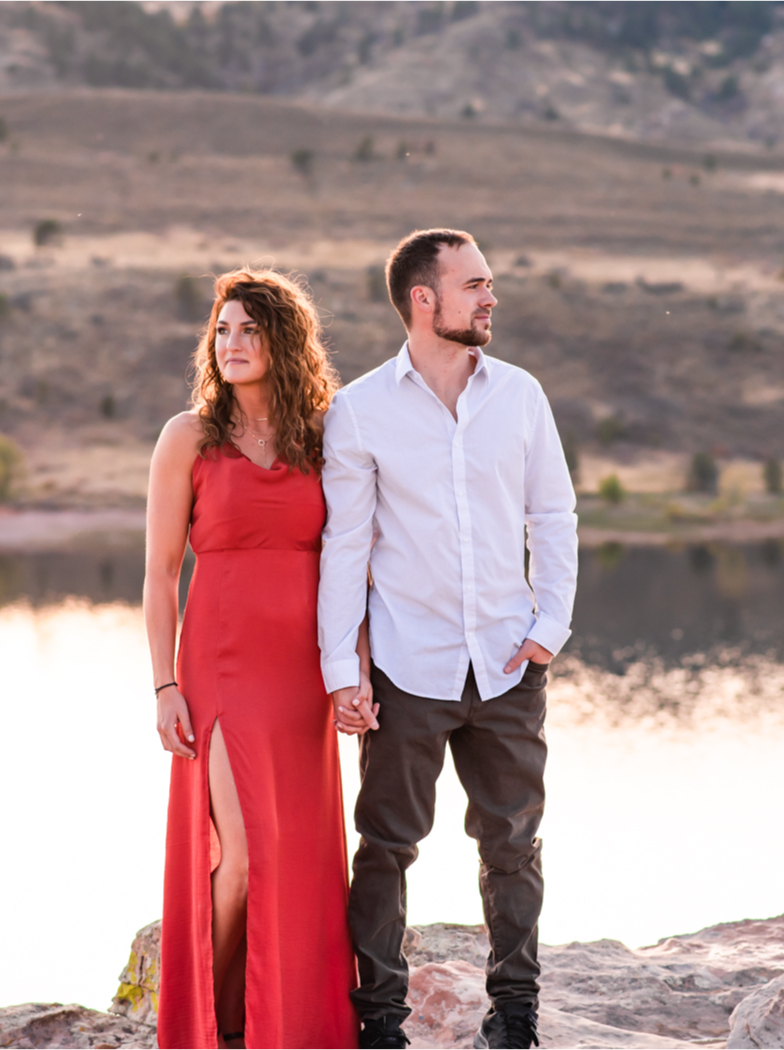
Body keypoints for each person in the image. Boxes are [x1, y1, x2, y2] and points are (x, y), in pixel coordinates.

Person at [318, 229, 579, 1050]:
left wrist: (549, 628)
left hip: (508, 664)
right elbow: (345, 547)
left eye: (489, 283)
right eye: (474, 285)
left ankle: (515, 1017)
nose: (490, 297)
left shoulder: (520, 396)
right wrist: (341, 671)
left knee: (512, 846)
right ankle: (381, 1024)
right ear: (422, 299)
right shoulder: (359, 410)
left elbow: (554, 515)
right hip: (407, 668)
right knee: (386, 848)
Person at [144, 268, 360, 1050]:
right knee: (237, 857)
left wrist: (353, 673)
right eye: (222, 331)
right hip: (221, 671)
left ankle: (282, 1021)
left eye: (250, 330)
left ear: (285, 342)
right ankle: (211, 1022)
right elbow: (161, 574)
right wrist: (165, 684)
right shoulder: (189, 438)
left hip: (303, 677)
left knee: (293, 853)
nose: (231, 344)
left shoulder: (324, 437)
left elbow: (354, 564)